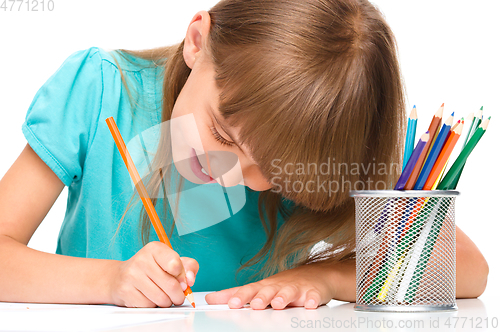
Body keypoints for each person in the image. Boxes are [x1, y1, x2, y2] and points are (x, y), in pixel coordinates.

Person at [0, 0, 488, 310]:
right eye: (223, 134)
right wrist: (111, 281)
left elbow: (467, 266)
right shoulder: (102, 90)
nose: (235, 176)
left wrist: (328, 276)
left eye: (277, 175)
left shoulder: (326, 143)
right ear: (197, 41)